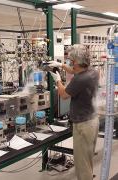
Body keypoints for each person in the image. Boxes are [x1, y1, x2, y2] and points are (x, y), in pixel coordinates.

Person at [48, 44, 99, 180]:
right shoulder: (92, 72)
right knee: (87, 161)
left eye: (71, 60)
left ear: (76, 61)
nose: (70, 62)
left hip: (83, 125)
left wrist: (57, 80)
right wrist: (61, 65)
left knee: (82, 164)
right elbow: (74, 70)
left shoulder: (80, 79)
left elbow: (64, 94)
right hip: (92, 120)